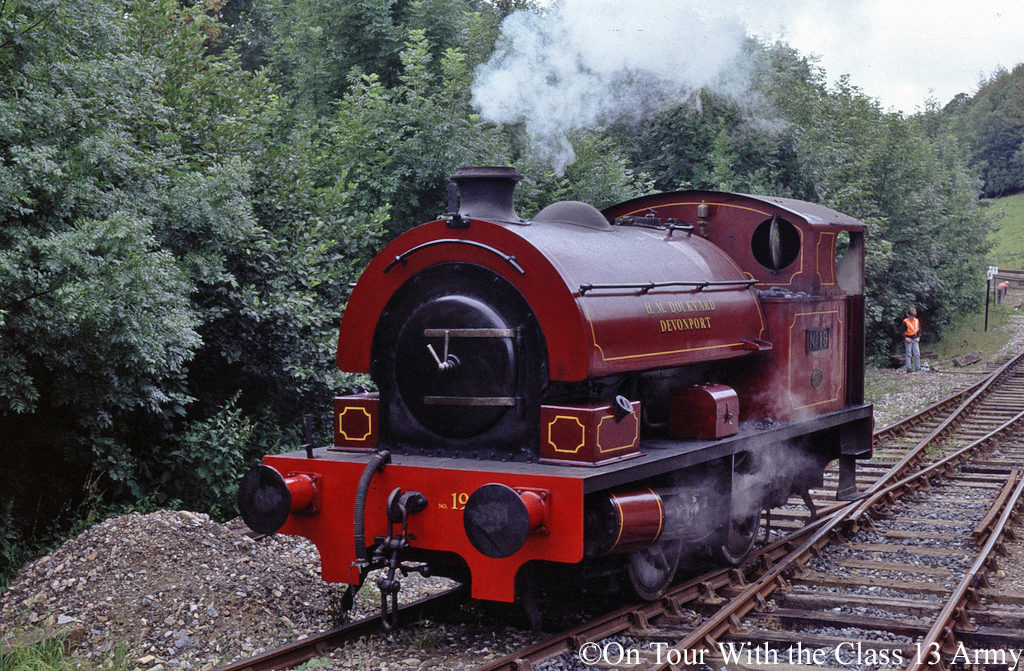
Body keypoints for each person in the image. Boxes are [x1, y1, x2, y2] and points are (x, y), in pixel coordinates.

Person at [902, 308, 921, 373]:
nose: (913, 317)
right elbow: (901, 331)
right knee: (909, 354)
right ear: (909, 315)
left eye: (914, 316)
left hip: (915, 338)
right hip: (908, 339)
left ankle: (918, 368)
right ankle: (909, 368)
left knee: (917, 354)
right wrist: (905, 338)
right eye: (912, 316)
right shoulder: (905, 321)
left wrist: (918, 337)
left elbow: (919, 330)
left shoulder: (916, 321)